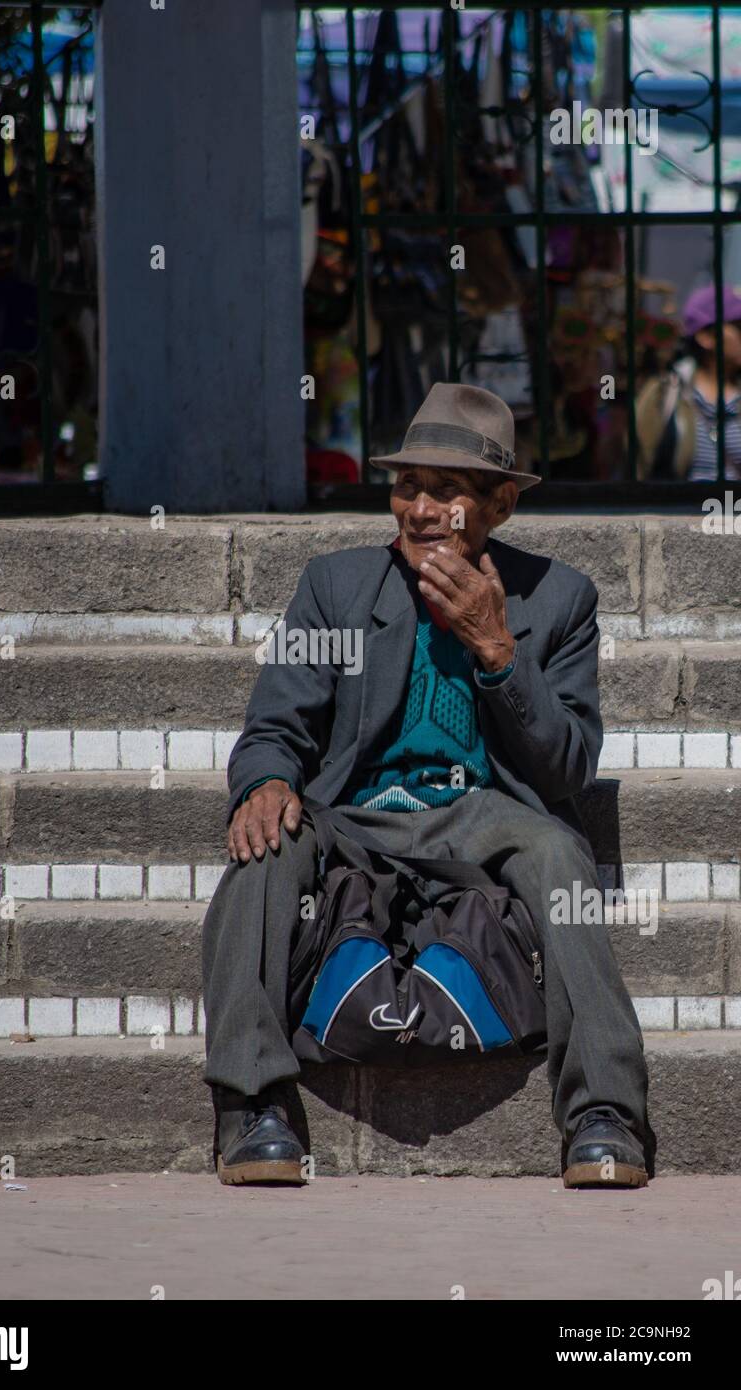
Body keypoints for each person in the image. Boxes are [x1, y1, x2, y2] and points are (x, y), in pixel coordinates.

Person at [202, 383, 653, 1190]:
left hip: (484, 817)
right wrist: (266, 781)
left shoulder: (558, 601)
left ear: (500, 505)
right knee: (260, 856)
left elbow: (568, 768)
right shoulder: (337, 588)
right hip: (353, 815)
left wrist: (497, 649)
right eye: (407, 484)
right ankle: (254, 1107)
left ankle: (603, 1114)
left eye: (445, 491)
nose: (417, 509)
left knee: (560, 857)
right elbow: (277, 724)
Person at [636, 283, 741, 480]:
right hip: (682, 509)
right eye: (739, 326)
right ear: (706, 337)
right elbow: (640, 465)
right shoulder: (664, 393)